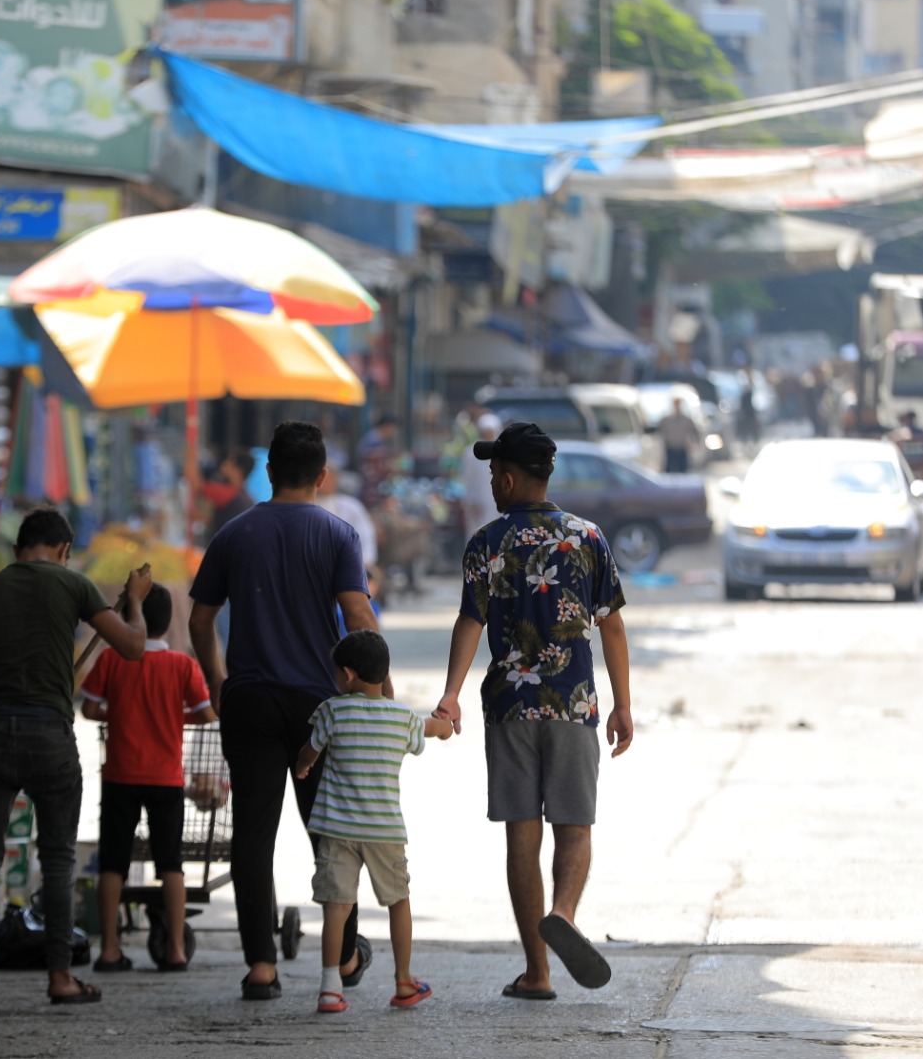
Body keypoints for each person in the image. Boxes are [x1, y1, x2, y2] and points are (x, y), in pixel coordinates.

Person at [435, 421, 634, 1001]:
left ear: (509, 477)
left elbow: (469, 621)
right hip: (573, 703)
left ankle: (538, 972)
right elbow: (613, 624)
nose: (493, 481)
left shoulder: (487, 542)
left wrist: (450, 694)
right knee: (574, 824)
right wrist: (622, 703)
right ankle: (565, 913)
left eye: (496, 472)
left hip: (509, 706)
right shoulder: (587, 537)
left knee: (522, 834)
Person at [188, 421, 383, 1001]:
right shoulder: (339, 534)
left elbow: (200, 620)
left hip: (248, 697)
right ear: (322, 476)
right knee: (330, 830)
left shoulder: (233, 533)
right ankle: (344, 956)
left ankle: (261, 966)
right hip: (319, 704)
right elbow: (359, 617)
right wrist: (379, 692)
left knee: (252, 833)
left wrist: (219, 684)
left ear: (268, 471)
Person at [0, 508, 152, 1013]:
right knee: (57, 859)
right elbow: (132, 646)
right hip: (50, 735)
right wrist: (137, 604)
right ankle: (60, 977)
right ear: (62, 550)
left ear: (20, 547)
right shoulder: (73, 584)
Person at [294, 630, 452, 1014]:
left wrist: (303, 767)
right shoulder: (401, 716)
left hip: (337, 831)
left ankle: (330, 987)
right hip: (384, 831)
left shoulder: (332, 710)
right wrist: (446, 725)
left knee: (337, 906)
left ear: (347, 674)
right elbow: (433, 729)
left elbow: (309, 750)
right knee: (398, 901)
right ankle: (403, 980)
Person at [80, 583, 215, 973]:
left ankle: (108, 949)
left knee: (113, 863)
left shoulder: (110, 660)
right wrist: (175, 718)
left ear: (125, 618)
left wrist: (119, 717)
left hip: (121, 773)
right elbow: (206, 713)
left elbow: (89, 708)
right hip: (165, 777)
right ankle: (174, 949)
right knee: (170, 863)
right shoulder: (182, 666)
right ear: (169, 621)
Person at [318, 466, 378, 575]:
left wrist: (364, 565)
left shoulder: (351, 506)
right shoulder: (302, 506)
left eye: (328, 476)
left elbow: (365, 538)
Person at [461, 414, 502, 536]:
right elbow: (468, 480)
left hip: (498, 504)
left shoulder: (502, 451)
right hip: (479, 505)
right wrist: (471, 502)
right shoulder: (471, 452)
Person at [206, 451, 256, 538]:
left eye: (228, 462)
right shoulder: (247, 499)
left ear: (237, 470)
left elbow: (194, 484)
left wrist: (191, 441)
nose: (223, 465)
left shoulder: (230, 493)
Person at [658, 397, 700, 475]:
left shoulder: (686, 420)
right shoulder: (667, 420)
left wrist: (693, 443)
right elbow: (660, 433)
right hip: (670, 448)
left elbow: (696, 432)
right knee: (669, 472)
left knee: (683, 472)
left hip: (682, 448)